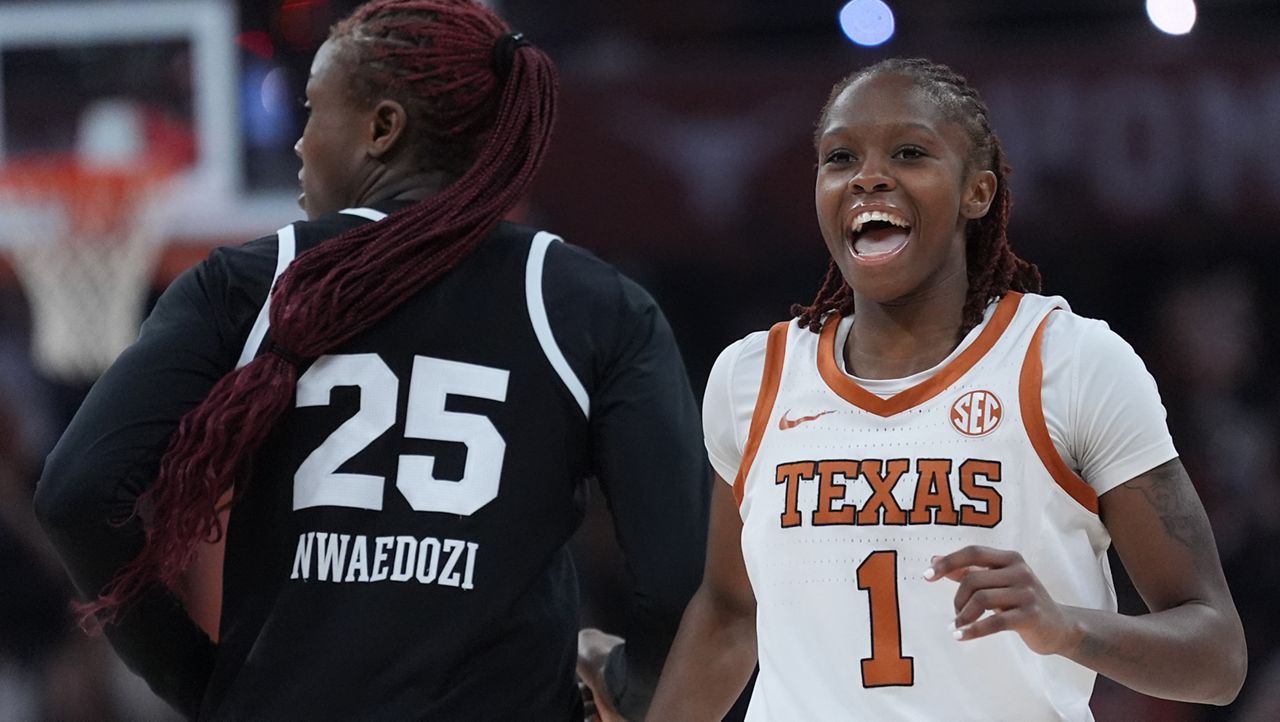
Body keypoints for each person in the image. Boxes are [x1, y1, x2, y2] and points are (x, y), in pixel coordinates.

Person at [33, 1, 709, 719]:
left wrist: (197, 679)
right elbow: (677, 582)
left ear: (382, 129)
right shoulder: (595, 303)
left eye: (312, 111)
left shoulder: (249, 283)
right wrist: (627, 686)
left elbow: (76, 493)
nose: (297, 144)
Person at [645, 57, 1247, 721]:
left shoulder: (1070, 364)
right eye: (840, 157)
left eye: (909, 152)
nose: (869, 176)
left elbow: (1217, 658)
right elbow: (732, 616)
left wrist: (1066, 628)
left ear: (977, 192)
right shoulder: (752, 377)